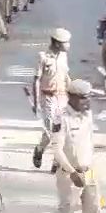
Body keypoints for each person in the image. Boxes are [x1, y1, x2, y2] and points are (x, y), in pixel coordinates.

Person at [28, 79, 106, 213]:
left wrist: (89, 166)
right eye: (83, 98)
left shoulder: (87, 115)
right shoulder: (61, 118)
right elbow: (57, 149)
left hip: (89, 171)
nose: (87, 102)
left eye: (89, 97)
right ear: (72, 97)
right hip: (68, 174)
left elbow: (88, 142)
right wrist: (72, 172)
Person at [32, 28, 71, 171]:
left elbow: (66, 76)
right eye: (65, 43)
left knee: (60, 130)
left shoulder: (63, 57)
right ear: (57, 43)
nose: (68, 45)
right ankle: (43, 152)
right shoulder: (43, 57)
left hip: (62, 97)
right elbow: (36, 80)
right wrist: (36, 103)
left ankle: (54, 159)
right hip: (47, 97)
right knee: (50, 131)